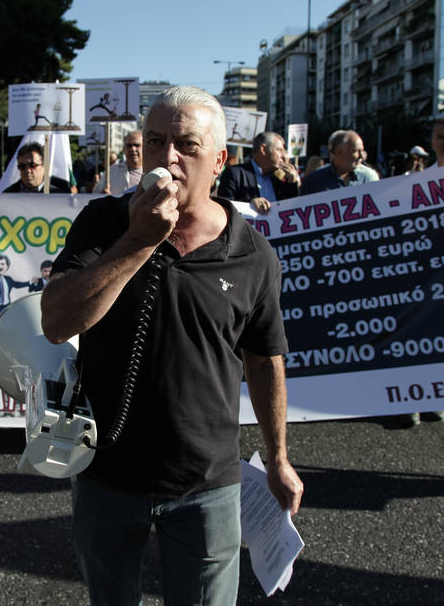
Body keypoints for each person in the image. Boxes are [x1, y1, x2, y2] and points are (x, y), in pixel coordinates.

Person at [40, 86, 302, 604]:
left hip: (207, 484)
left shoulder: (252, 253)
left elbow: (265, 359)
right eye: (156, 142)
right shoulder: (105, 222)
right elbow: (57, 320)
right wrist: (137, 241)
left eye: (187, 145)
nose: (167, 158)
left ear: (220, 161)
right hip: (106, 475)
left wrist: (278, 458)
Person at [217, 131, 300, 214]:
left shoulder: (277, 182)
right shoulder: (235, 174)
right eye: (279, 150)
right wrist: (250, 205)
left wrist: (292, 183)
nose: (283, 156)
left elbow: (292, 211)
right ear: (263, 149)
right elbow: (224, 207)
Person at [301, 130, 377, 195]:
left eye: (362, 150)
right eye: (355, 151)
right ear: (339, 152)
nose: (361, 156)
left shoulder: (369, 177)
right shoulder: (313, 181)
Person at [2, 143, 71, 193]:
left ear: (45, 167)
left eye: (32, 165)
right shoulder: (8, 195)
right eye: (22, 166)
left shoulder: (60, 194)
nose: (28, 170)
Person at [0, 253, 29, 325]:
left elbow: (17, 284)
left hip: (6, 308)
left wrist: (30, 282)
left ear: (7, 266)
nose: (0, 266)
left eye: (2, 264)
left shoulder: (8, 279)